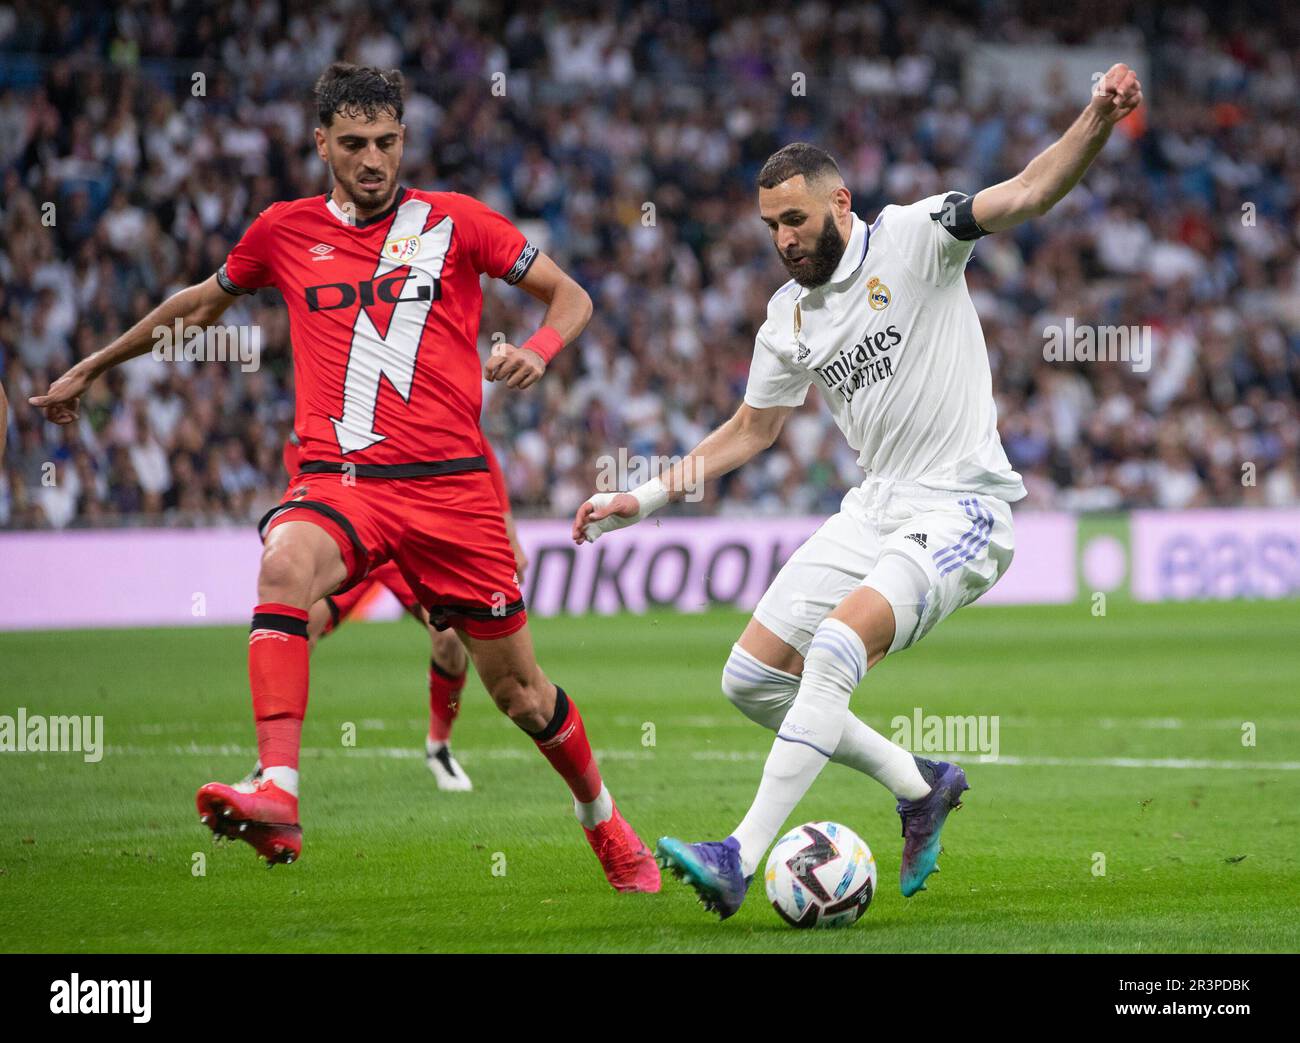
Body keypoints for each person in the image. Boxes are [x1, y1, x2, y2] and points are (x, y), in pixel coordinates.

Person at [32, 62, 659, 893]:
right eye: (355, 143)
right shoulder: (282, 231)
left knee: (521, 695)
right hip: (343, 482)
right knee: (285, 563)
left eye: (388, 142)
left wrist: (537, 352)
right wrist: (92, 366)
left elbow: (568, 296)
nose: (374, 159)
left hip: (454, 489)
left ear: (404, 140)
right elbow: (197, 308)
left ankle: (603, 819)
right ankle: (278, 791)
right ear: (320, 142)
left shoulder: (455, 221)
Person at [575, 64, 1143, 918]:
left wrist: (1097, 116)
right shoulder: (789, 318)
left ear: (842, 204)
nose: (784, 240)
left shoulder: (919, 236)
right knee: (749, 680)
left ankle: (738, 852)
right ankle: (919, 786)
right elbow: (751, 428)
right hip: (874, 508)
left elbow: (1028, 192)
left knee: (836, 649)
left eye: (795, 219)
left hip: (963, 507)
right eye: (770, 226)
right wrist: (644, 497)